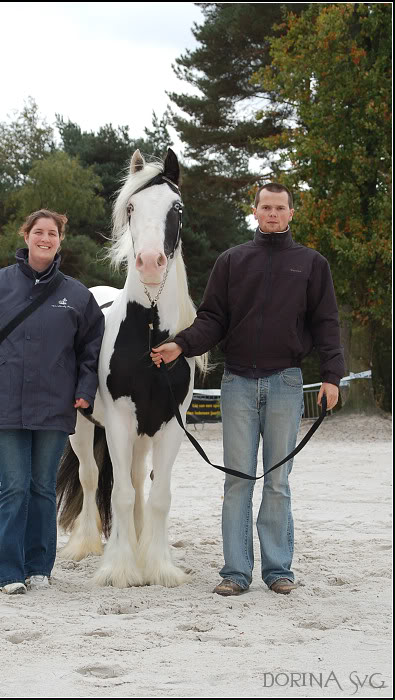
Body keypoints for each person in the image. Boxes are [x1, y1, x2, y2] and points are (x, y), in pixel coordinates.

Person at [151, 184, 344, 596]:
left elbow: (327, 322)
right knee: (237, 480)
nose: (272, 214)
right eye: (266, 207)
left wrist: (332, 375)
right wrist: (181, 344)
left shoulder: (312, 264)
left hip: (287, 383)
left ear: (292, 214)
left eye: (280, 208)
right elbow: (212, 319)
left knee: (277, 481)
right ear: (254, 212)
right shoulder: (231, 261)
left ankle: (278, 571)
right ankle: (236, 573)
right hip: (237, 382)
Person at [0, 209, 105, 595]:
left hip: (54, 407)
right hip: (0, 404)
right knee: (15, 486)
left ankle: (40, 567)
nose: (45, 238)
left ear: (60, 240)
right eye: (38, 232)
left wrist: (85, 391)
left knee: (42, 487)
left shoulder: (77, 295)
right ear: (26, 236)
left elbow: (91, 351)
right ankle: (10, 572)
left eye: (52, 233)